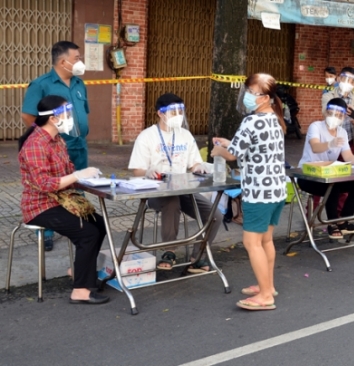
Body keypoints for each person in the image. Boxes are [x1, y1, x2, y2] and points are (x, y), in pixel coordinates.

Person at [18, 95, 108, 305]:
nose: (70, 118)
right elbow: (45, 184)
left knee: (100, 225)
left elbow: (68, 176)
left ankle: (79, 273)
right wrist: (78, 175)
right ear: (53, 118)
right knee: (88, 233)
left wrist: (94, 182)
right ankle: (80, 290)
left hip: (60, 200)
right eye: (67, 113)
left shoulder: (57, 140)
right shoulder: (35, 144)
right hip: (40, 206)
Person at [211, 73, 286, 311]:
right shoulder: (275, 119)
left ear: (264, 98)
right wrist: (229, 144)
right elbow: (250, 146)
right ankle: (268, 285)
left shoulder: (251, 122)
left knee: (251, 242)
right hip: (276, 190)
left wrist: (218, 151)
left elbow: (233, 155)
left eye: (251, 93)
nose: (246, 97)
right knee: (266, 240)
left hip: (258, 192)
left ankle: (265, 296)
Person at [128, 93, 222, 272]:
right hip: (155, 191)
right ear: (160, 114)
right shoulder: (147, 136)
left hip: (182, 189)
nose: (178, 115)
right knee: (172, 203)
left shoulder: (185, 135)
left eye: (181, 111)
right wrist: (148, 171)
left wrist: (198, 167)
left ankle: (198, 256)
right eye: (173, 111)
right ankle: (169, 252)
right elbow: (136, 170)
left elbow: (193, 163)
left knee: (215, 215)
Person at [21, 41, 90, 252]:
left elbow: (83, 111)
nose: (80, 62)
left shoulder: (79, 84)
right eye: (77, 58)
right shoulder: (41, 84)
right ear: (63, 61)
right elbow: (28, 114)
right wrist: (44, 136)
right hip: (53, 147)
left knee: (78, 187)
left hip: (78, 145)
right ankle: (47, 232)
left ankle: (80, 228)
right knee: (50, 189)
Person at [298, 98, 354, 239]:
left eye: (340, 115)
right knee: (333, 185)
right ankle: (331, 224)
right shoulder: (315, 126)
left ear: (344, 117)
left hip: (328, 174)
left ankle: (343, 221)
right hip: (307, 175)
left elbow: (349, 157)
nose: (336, 118)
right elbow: (315, 147)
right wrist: (330, 144)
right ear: (326, 112)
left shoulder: (342, 133)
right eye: (332, 113)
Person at [321, 67, 354, 154]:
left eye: (352, 81)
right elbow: (326, 113)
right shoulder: (328, 96)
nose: (348, 83)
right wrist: (340, 107)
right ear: (339, 79)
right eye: (346, 79)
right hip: (332, 142)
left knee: (347, 166)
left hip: (350, 143)